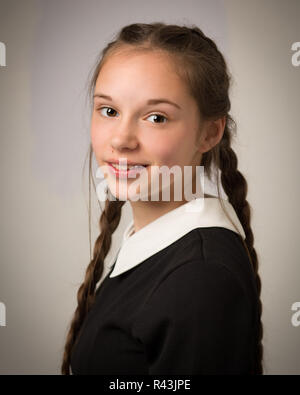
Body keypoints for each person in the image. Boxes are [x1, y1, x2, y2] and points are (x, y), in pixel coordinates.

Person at [61, 22, 263, 375]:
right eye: (108, 111)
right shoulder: (159, 246)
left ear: (209, 132)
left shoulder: (201, 277)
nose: (121, 139)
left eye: (156, 117)